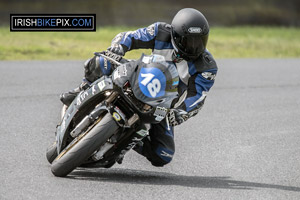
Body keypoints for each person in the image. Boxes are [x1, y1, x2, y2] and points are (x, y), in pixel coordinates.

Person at [60, 8, 218, 167]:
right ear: (175, 35)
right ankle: (82, 88)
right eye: (188, 41)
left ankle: (124, 142)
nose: (194, 47)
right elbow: (130, 36)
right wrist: (119, 47)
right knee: (103, 61)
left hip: (162, 106)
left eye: (199, 41)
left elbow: (197, 97)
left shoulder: (207, 67)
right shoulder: (161, 31)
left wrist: (180, 112)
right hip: (137, 77)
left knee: (163, 154)